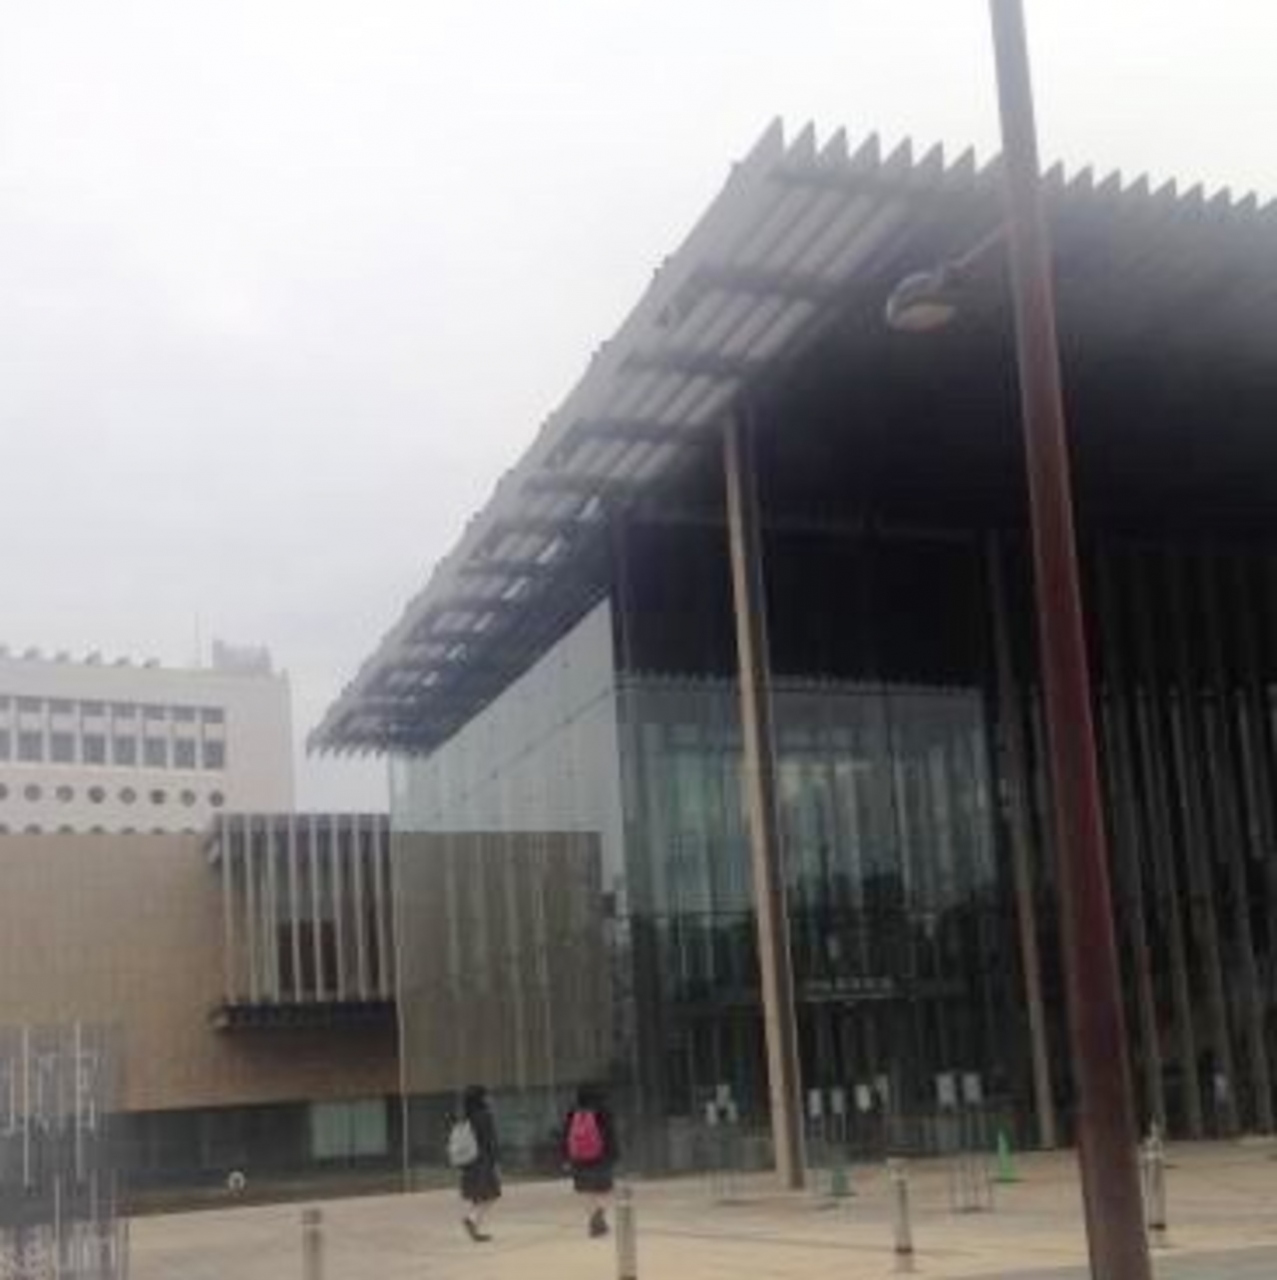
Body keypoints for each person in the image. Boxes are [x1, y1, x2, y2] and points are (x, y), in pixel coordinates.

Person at [561, 1085, 618, 1238]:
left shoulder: (572, 1112)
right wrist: (614, 1154)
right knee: (604, 1189)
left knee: (587, 1190)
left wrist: (565, 1157)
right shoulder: (603, 1111)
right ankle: (599, 1214)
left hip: (579, 1158)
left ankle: (593, 1217)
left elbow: (565, 1135)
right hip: (601, 1156)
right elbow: (610, 1134)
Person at [455, 1085, 501, 1242]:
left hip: (469, 1161)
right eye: (485, 1095)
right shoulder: (484, 1116)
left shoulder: (466, 1117)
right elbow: (490, 1140)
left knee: (479, 1196)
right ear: (480, 1098)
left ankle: (475, 1227)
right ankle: (471, 1219)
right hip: (483, 1161)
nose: (488, 1098)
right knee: (491, 1194)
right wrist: (496, 1161)